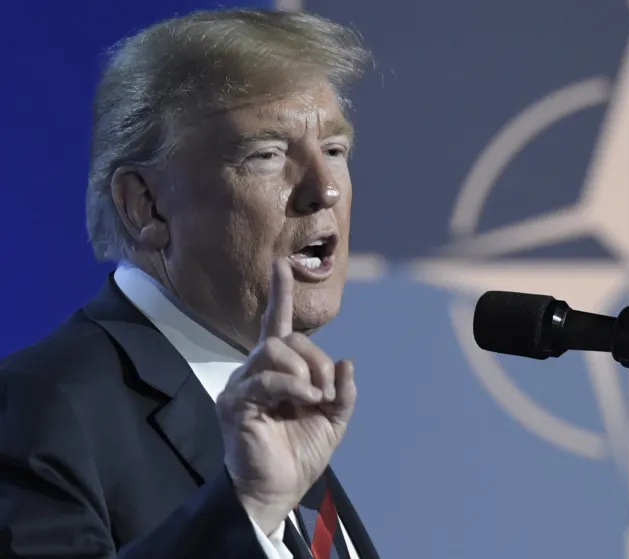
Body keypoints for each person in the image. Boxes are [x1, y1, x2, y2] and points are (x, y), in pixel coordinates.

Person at [0, 8, 378, 559]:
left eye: (335, 151)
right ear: (145, 205)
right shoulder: (38, 406)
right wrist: (245, 506)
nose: (325, 190)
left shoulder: (276, 406)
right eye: (267, 154)